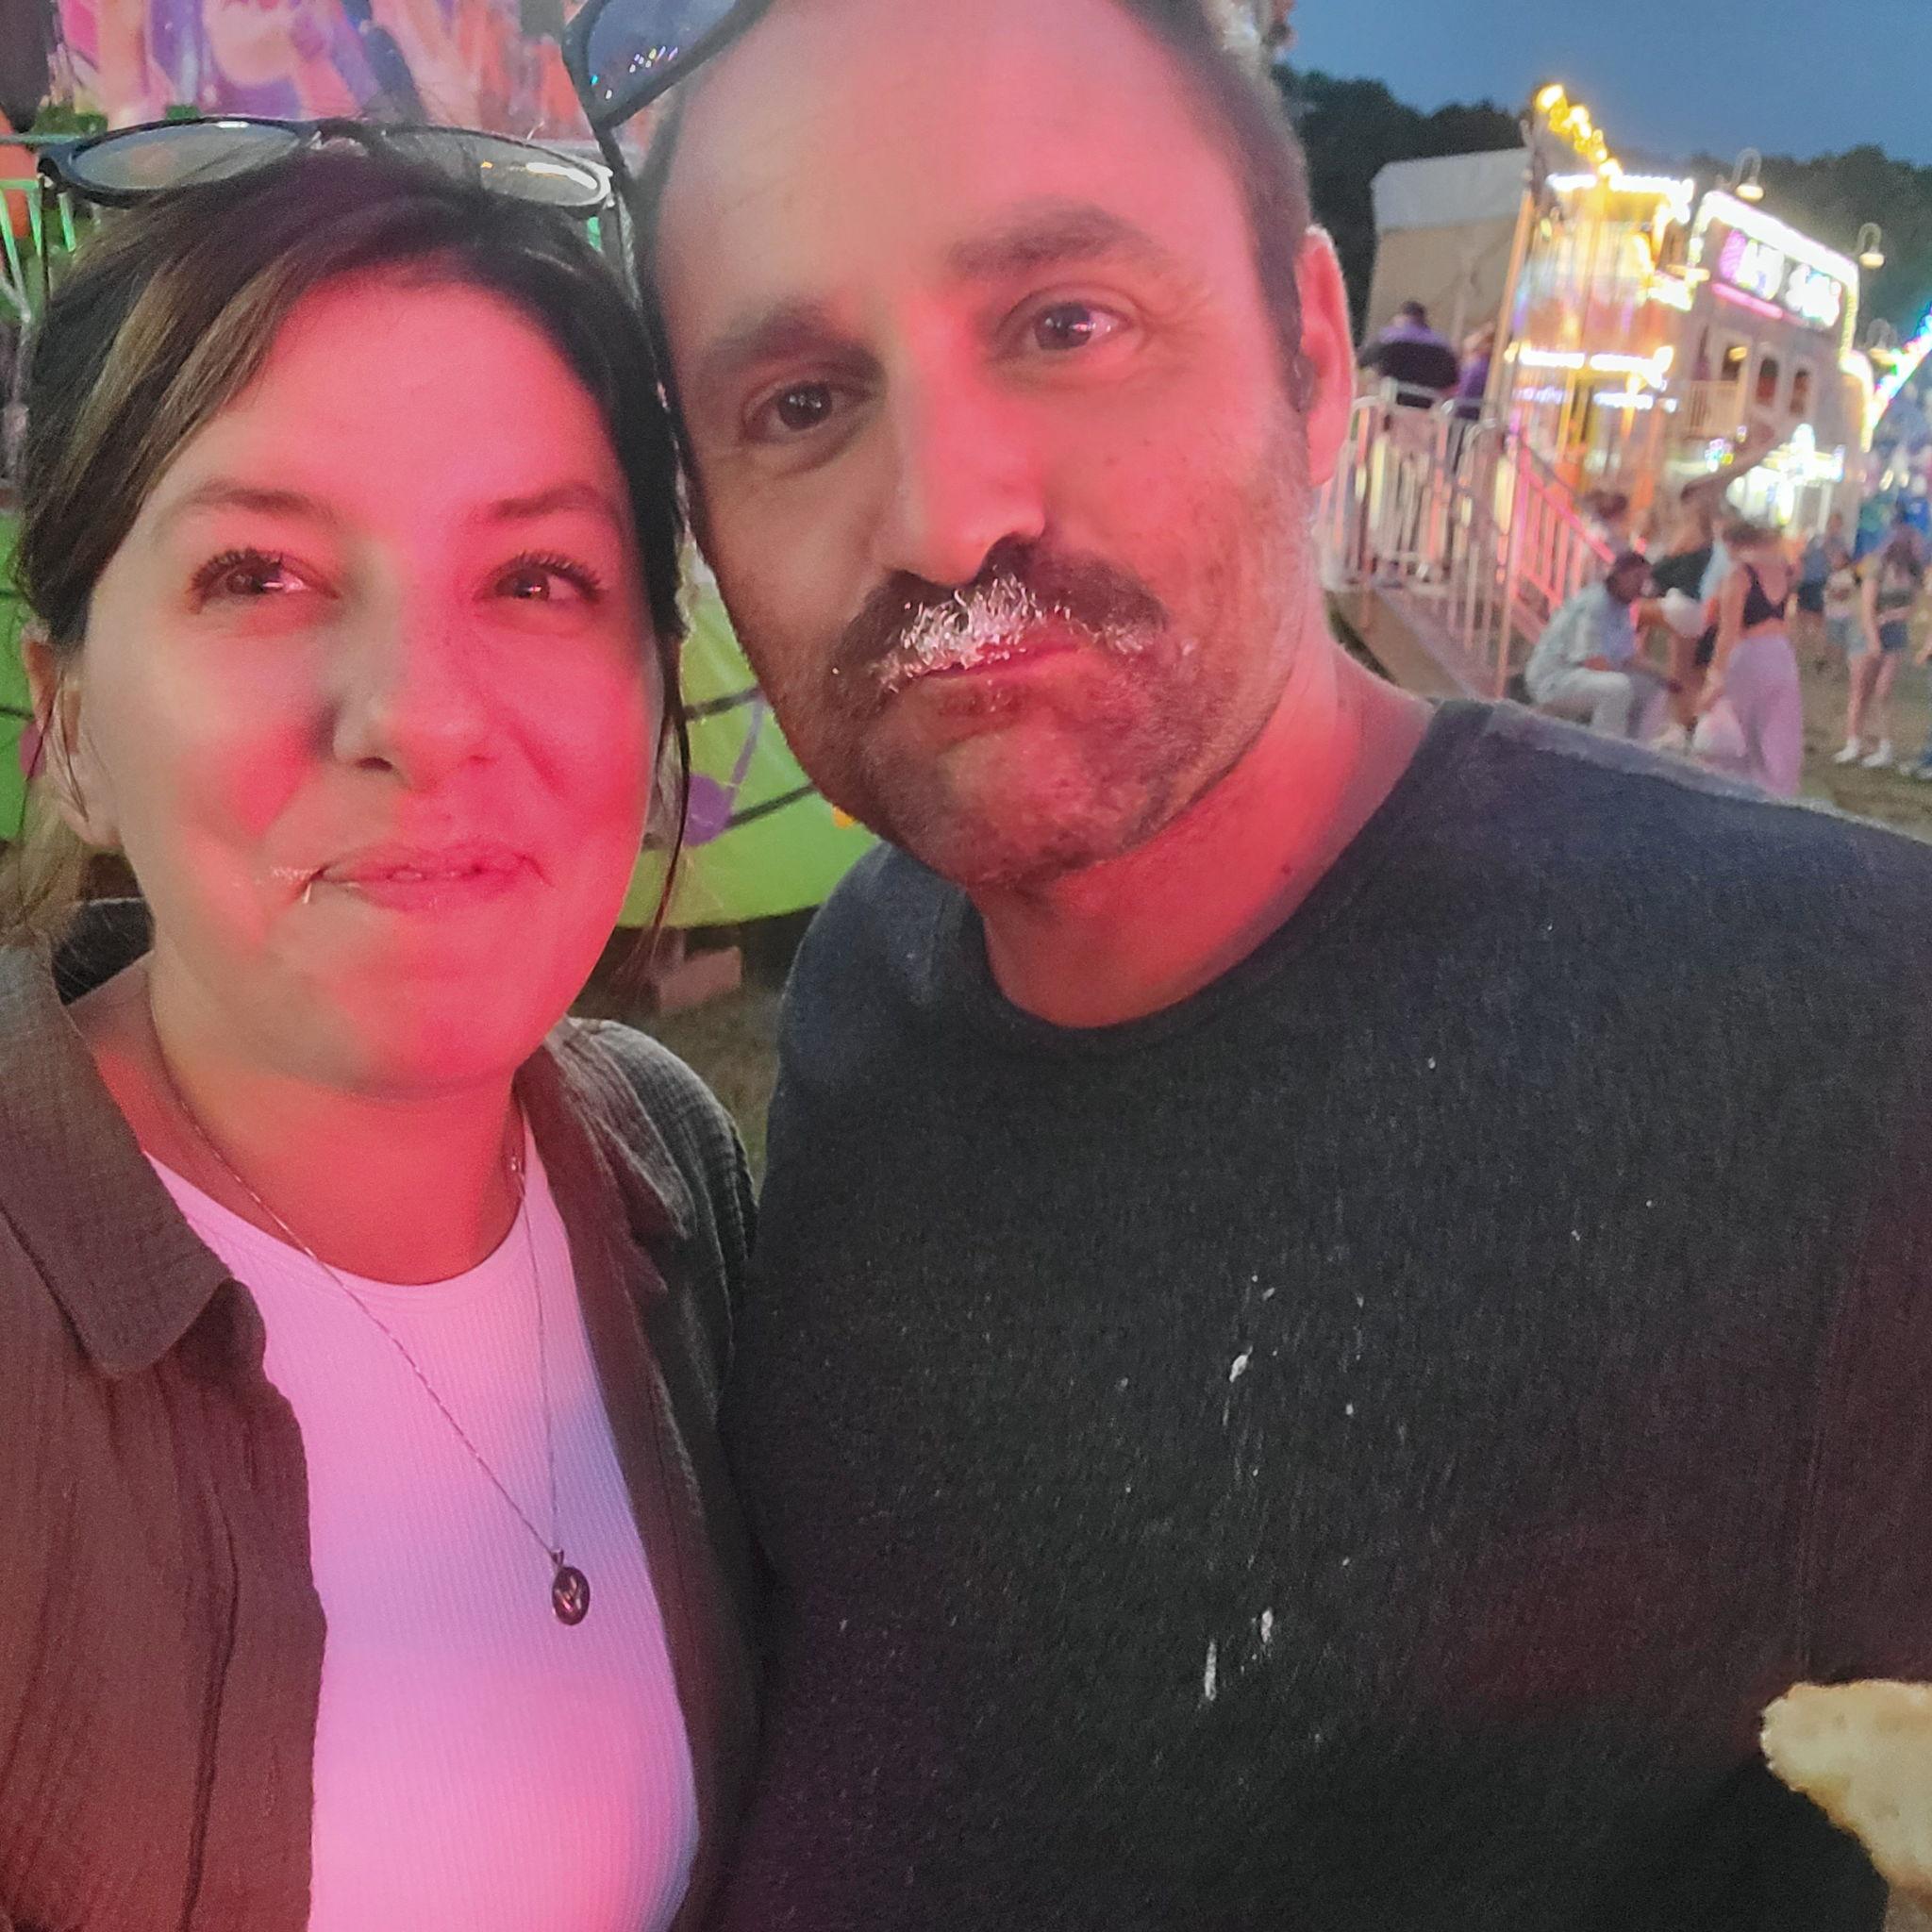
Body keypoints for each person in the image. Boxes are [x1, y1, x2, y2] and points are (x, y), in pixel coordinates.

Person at [600, 0, 1932, 1923]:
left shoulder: (1841, 1042)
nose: (947, 509)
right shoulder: (867, 983)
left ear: (1310, 356)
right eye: (800, 401)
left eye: (1065, 322)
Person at [0, 141, 756, 1930]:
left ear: (655, 688)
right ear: (73, 720)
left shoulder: (668, 1177)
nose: (418, 715)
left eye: (538, 579)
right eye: (257, 573)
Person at [1695, 518, 1804, 796]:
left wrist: (1715, 676)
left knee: (1741, 730)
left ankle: (1735, 791)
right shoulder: (1783, 568)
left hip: (1750, 656)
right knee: (1777, 731)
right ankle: (1777, 791)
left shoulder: (1740, 574)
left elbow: (1728, 632)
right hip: (1780, 653)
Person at [1522, 551, 1668, 741]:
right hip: (1555, 677)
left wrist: (1666, 676)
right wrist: (1627, 680)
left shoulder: (1621, 609)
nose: (1641, 587)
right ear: (1620, 574)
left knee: (1650, 687)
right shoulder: (1594, 604)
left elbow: (1629, 656)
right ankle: (1604, 752)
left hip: (1578, 676)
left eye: (1644, 580)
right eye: (1637, 578)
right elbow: (1593, 661)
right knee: (1618, 688)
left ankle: (1635, 748)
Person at [1836, 526, 1925, 771]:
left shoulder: (1914, 571)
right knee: (1860, 691)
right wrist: (1874, 639)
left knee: (1884, 690)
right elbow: (1866, 606)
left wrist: (1895, 615)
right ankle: (1853, 742)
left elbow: (1914, 605)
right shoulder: (1877, 566)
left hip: (1895, 632)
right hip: (1867, 632)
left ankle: (1884, 746)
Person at [1357, 297, 1460, 406]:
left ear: (1401, 317)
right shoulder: (1443, 346)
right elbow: (1452, 382)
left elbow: (1362, 361)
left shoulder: (1389, 338)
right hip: (1426, 405)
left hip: (1391, 400)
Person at [1794, 514, 1840, 670]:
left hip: (1820, 583)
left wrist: (1827, 548)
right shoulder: (1815, 538)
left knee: (1818, 622)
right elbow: (1803, 556)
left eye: (1835, 524)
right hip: (1806, 581)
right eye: (1830, 523)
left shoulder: (1839, 544)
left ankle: (1819, 657)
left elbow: (1837, 563)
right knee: (1801, 619)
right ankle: (1796, 656)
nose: (1832, 527)